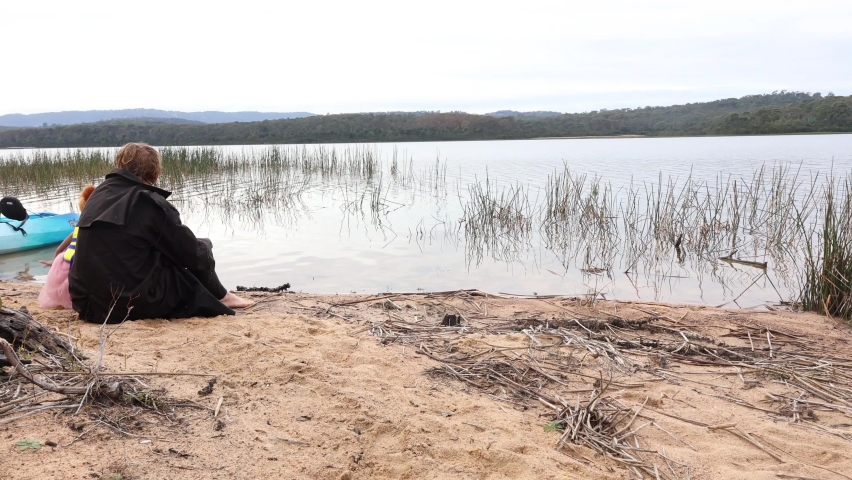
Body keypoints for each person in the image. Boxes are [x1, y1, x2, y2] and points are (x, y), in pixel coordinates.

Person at [69, 143, 252, 323]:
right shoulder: (149, 201)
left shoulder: (98, 194)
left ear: (120, 164)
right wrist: (206, 246)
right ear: (155, 172)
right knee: (200, 247)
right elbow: (192, 254)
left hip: (88, 306)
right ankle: (223, 295)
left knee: (159, 250)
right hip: (125, 305)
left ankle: (221, 294)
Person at [37, 185, 95, 309]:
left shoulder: (77, 228)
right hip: (75, 266)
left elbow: (59, 249)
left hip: (63, 262)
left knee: (60, 293)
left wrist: (53, 263)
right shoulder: (93, 229)